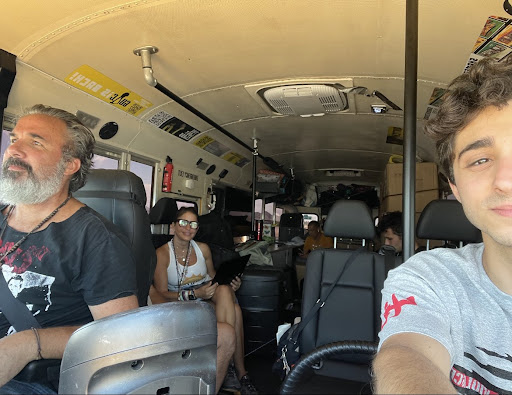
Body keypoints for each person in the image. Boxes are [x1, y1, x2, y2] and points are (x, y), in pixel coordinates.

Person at [373, 56, 512, 394]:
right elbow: (405, 354)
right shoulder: (427, 277)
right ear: (456, 189)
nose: (506, 181)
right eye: (480, 160)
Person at [0, 105, 139, 394]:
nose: (15, 149)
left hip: (33, 379)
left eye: (35, 142)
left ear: (69, 165)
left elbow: (120, 336)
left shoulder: (96, 239)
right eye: (14, 139)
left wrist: (30, 344)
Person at [150, 207, 257, 394]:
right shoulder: (162, 254)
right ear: (174, 226)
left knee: (224, 290)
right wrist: (195, 294)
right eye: (183, 222)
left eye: (193, 224)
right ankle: (238, 371)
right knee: (236, 312)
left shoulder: (203, 249)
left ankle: (231, 368)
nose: (188, 228)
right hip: (180, 305)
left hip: (203, 300)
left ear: (197, 229)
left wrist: (232, 285)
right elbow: (161, 294)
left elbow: (214, 280)